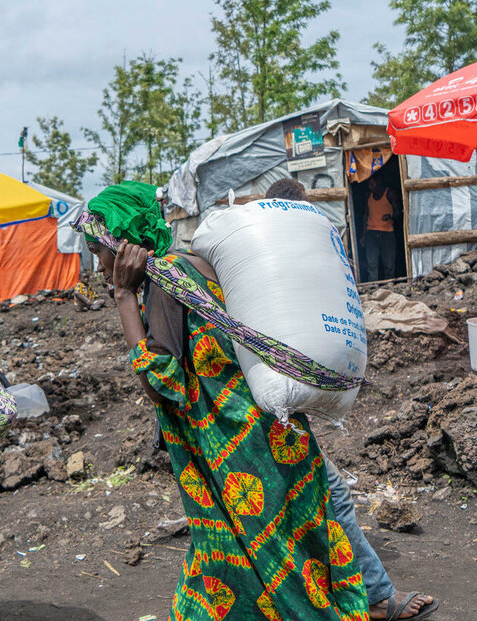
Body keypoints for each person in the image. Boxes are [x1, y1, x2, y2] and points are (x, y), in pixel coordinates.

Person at [78, 180, 369, 620]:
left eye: (98, 253)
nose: (98, 268)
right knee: (298, 568)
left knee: (260, 580)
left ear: (121, 245)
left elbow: (162, 386)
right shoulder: (203, 266)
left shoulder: (168, 279)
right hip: (282, 440)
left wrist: (123, 297)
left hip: (242, 460)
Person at [264, 178, 438, 621]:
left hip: (274, 406)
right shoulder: (276, 260)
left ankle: (358, 594)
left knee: (310, 500)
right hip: (264, 412)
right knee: (331, 495)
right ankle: (377, 598)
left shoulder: (268, 261)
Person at [362, 175, 400, 282]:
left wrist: (390, 216)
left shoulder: (389, 193)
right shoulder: (368, 195)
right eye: (369, 184)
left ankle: (389, 286)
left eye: (372, 184)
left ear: (379, 182)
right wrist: (363, 234)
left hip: (387, 233)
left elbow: (398, 211)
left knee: (389, 263)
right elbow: (365, 215)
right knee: (372, 263)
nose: (370, 187)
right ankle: (373, 287)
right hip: (371, 233)